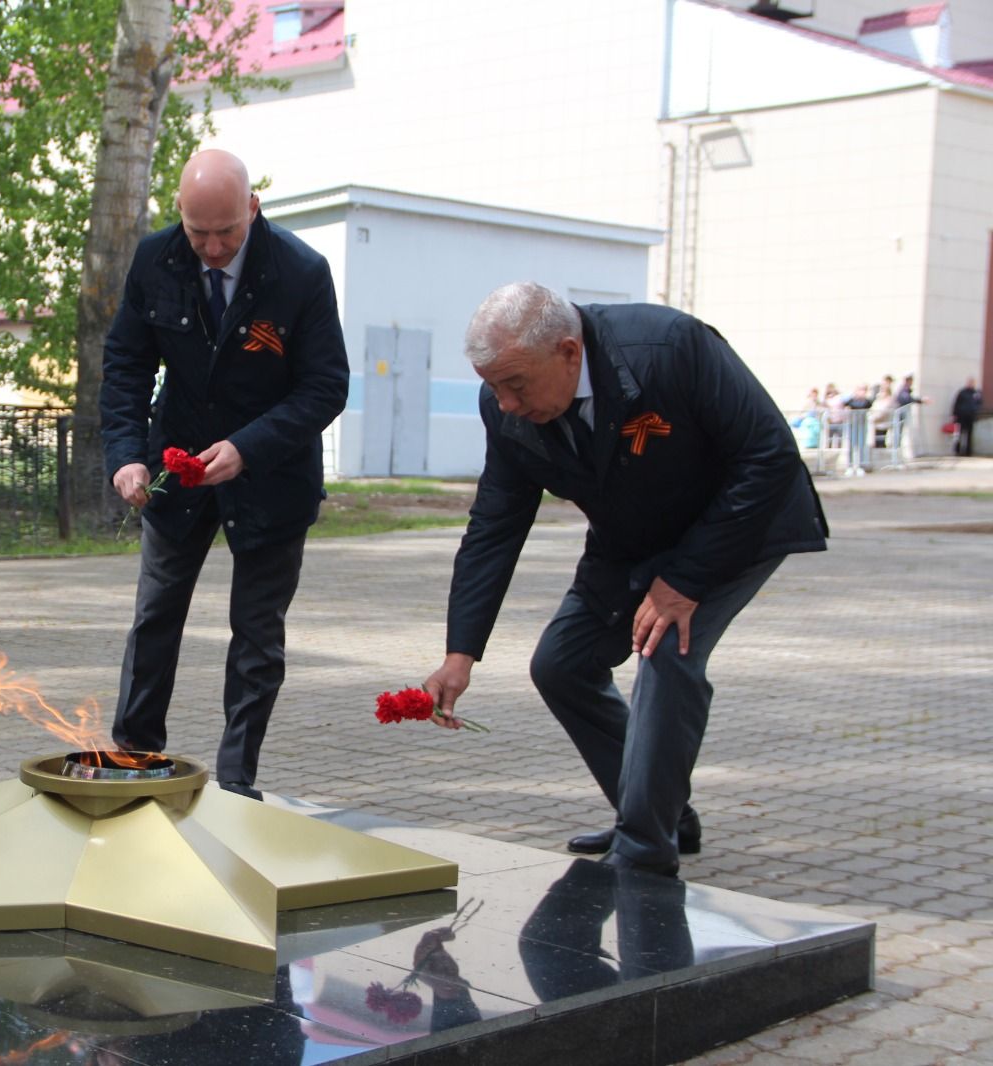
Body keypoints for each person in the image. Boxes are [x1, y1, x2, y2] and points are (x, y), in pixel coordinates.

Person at [424, 282, 827, 877]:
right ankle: (664, 812)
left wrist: (685, 579)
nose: (505, 403)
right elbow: (495, 525)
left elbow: (768, 455)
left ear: (567, 351)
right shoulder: (507, 408)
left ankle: (642, 853)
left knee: (665, 653)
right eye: (492, 386)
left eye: (515, 384)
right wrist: (460, 653)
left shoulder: (668, 349)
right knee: (561, 663)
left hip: (736, 526)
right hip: (631, 540)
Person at [100, 149, 350, 797]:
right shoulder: (155, 260)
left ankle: (237, 782)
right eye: (197, 232)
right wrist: (127, 454)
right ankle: (134, 758)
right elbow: (126, 363)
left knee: (257, 636)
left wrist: (248, 447)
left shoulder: (300, 273)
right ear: (178, 214)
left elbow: (326, 387)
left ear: (254, 208)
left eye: (226, 233)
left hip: (271, 476)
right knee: (155, 616)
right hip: (177, 468)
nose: (211, 249)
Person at [952, 377, 982, 457]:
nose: (971, 384)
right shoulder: (962, 392)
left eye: (973, 382)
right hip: (961, 416)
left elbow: (979, 404)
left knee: (970, 435)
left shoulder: (977, 393)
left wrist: (976, 412)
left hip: (971, 416)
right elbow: (956, 404)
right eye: (970, 382)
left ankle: (968, 452)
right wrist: (955, 414)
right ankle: (958, 451)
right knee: (960, 434)